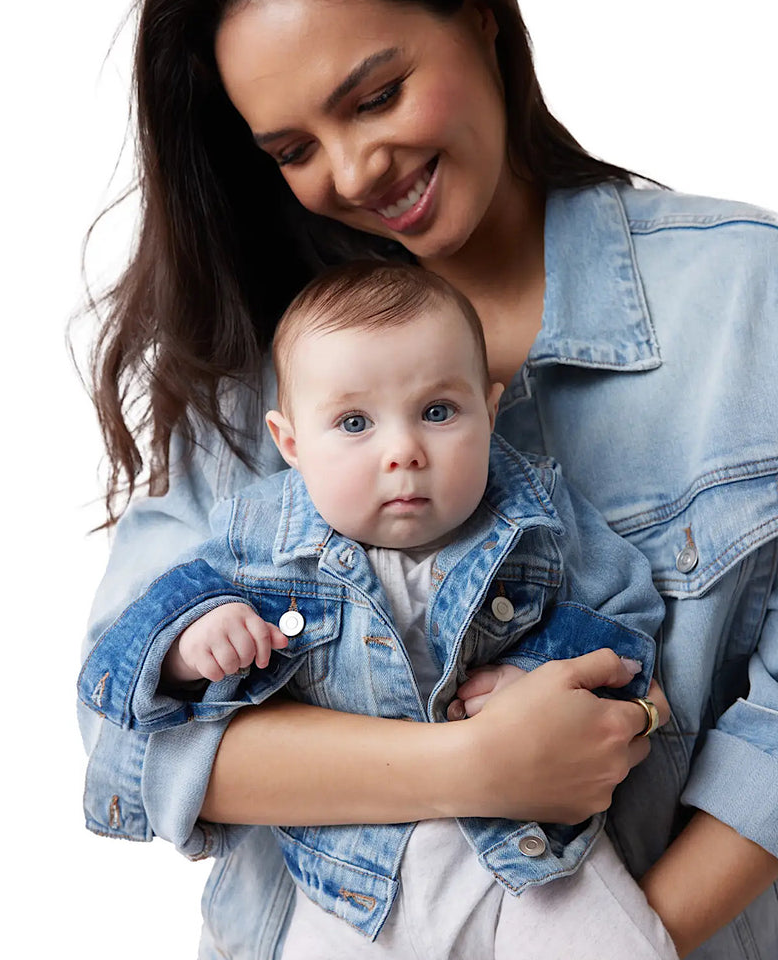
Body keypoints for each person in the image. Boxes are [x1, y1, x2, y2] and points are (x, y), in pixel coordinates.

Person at [77, 1, 778, 958]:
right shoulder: (258, 362)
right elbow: (132, 732)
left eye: (377, 95)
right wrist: (476, 764)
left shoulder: (748, 293)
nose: (356, 171)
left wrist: (625, 939)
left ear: (481, 16)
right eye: (292, 148)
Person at [80, 260, 673, 956]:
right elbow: (134, 654)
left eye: (438, 412)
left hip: (528, 858)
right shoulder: (260, 539)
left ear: (488, 409)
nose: (404, 452)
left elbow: (628, 615)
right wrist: (193, 641)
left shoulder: (536, 516)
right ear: (291, 444)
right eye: (355, 422)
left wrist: (544, 679)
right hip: (347, 885)